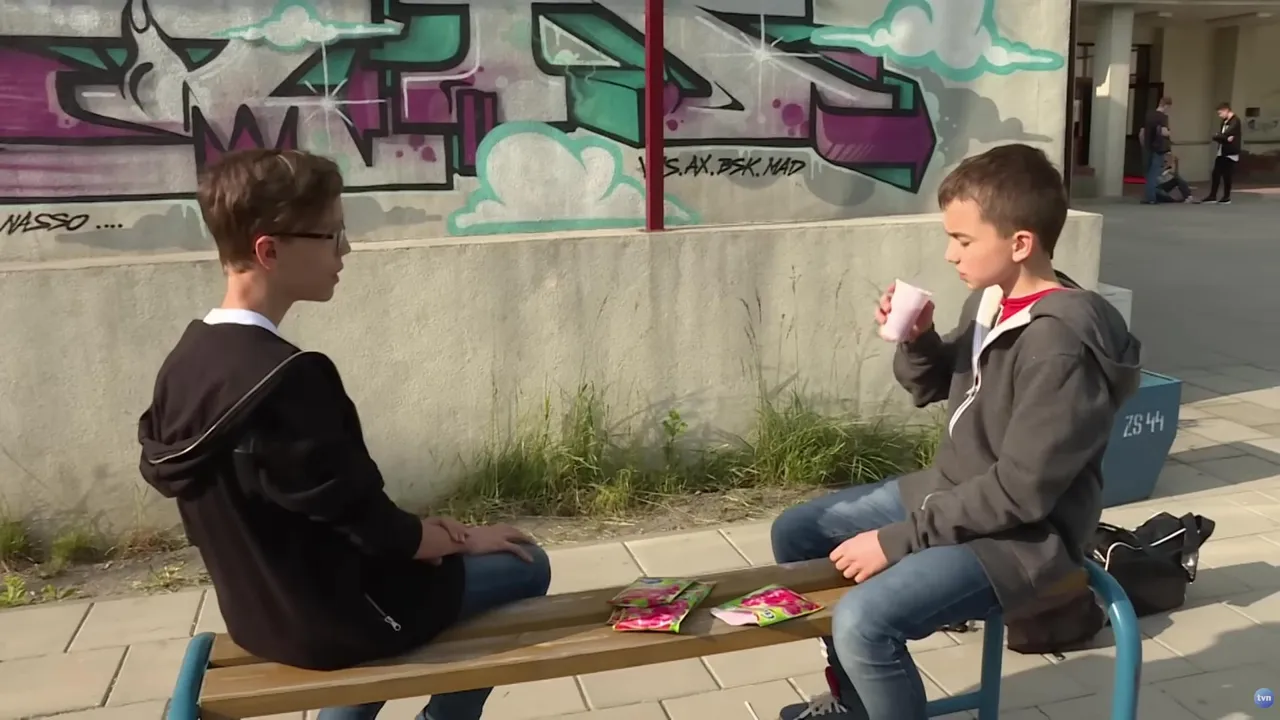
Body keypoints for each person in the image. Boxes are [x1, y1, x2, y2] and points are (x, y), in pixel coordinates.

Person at [137, 148, 552, 720]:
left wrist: (425, 534)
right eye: (331, 235)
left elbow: (329, 511)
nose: (346, 250)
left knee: (403, 571)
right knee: (526, 564)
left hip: (259, 618)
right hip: (337, 625)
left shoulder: (187, 360)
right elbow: (375, 529)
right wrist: (458, 540)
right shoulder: (291, 380)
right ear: (269, 250)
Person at [770, 144, 1142, 720]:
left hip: (1024, 541)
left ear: (1020, 243)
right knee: (798, 534)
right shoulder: (992, 301)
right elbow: (935, 386)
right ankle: (857, 703)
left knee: (865, 621)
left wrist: (897, 540)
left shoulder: (1060, 346)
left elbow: (1022, 493)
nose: (950, 254)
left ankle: (872, 678)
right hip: (955, 495)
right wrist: (918, 338)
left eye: (963, 241)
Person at [1204, 101, 1242, 204]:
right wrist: (1221, 137)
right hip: (1222, 150)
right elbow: (1223, 136)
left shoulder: (1235, 121)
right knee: (1216, 173)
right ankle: (1213, 195)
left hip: (1230, 152)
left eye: (1220, 113)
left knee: (1227, 175)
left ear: (1226, 110)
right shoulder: (1224, 122)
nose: (1220, 116)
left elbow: (1226, 134)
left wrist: (1221, 136)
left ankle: (1226, 196)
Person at [1139, 96, 1173, 205]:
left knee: (1149, 173)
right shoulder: (1163, 117)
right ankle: (1151, 198)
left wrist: (1144, 145)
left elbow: (1142, 133)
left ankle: (1148, 196)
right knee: (1154, 174)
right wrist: (1169, 133)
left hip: (1148, 147)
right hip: (1159, 148)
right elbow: (1163, 132)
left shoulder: (1149, 115)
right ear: (1166, 106)